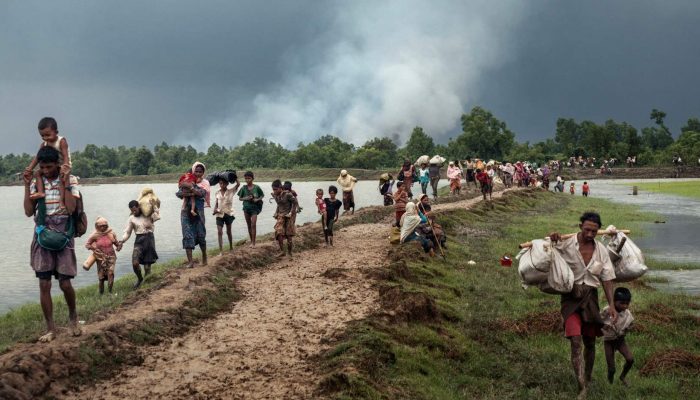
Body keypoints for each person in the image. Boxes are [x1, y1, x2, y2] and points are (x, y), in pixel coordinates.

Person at [549, 212, 617, 397]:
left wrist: (611, 305)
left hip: (591, 299)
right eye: (587, 230)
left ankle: (587, 376)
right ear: (580, 227)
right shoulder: (566, 243)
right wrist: (553, 238)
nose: (589, 234)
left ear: (597, 231)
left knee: (590, 342)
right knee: (576, 341)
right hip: (570, 299)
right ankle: (581, 387)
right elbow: (547, 249)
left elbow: (607, 278)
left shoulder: (601, 250)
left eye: (594, 231)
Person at [23, 146, 82, 342]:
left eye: (49, 167)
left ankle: (73, 317)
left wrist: (64, 183)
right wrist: (26, 186)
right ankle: (51, 328)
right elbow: (28, 212)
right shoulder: (35, 183)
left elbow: (72, 208)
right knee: (44, 283)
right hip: (43, 232)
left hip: (64, 231)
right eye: (43, 167)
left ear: (57, 164)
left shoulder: (71, 180)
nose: (46, 171)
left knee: (65, 283)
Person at [24, 117, 72, 211]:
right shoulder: (44, 144)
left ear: (56, 132)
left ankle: (61, 201)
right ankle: (41, 192)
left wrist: (65, 168)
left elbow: (65, 156)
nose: (45, 138)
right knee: (37, 173)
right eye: (42, 136)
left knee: (62, 180)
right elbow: (37, 158)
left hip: (63, 166)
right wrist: (29, 169)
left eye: (48, 135)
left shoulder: (61, 141)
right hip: (54, 165)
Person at [176, 162, 209, 268]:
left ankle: (204, 256)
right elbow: (179, 194)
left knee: (201, 235)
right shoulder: (188, 180)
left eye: (200, 171)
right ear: (193, 171)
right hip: (185, 212)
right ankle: (190, 262)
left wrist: (191, 187)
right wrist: (191, 190)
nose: (198, 173)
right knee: (187, 234)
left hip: (198, 212)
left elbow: (202, 193)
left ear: (203, 172)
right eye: (196, 171)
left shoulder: (205, 183)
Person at [120, 199, 159, 287]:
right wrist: (122, 241)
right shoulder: (131, 218)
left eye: (135, 210)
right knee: (135, 263)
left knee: (147, 267)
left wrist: (154, 206)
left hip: (149, 239)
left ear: (139, 207)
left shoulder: (147, 214)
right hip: (139, 240)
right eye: (132, 210)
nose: (134, 212)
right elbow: (128, 232)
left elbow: (157, 217)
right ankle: (140, 279)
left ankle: (146, 283)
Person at [601, 287, 635, 386]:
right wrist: (604, 326)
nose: (625, 306)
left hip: (620, 340)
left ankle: (623, 376)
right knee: (611, 368)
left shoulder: (627, 313)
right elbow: (599, 321)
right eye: (622, 303)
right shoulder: (607, 310)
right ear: (614, 301)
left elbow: (631, 323)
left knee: (630, 359)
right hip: (608, 341)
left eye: (627, 303)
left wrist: (628, 328)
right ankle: (609, 384)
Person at [84, 216, 121, 295]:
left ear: (107, 225)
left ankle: (110, 292)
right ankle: (101, 294)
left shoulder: (111, 233)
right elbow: (87, 245)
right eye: (101, 226)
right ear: (97, 226)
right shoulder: (94, 235)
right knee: (101, 278)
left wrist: (119, 246)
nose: (103, 227)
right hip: (100, 258)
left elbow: (117, 244)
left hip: (111, 257)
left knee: (110, 273)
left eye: (105, 225)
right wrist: (93, 249)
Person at [271, 180, 298, 258]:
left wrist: (291, 213)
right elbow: (278, 205)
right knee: (278, 232)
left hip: (288, 217)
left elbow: (295, 202)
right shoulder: (276, 195)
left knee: (289, 235)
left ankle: (290, 253)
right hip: (281, 216)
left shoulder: (288, 194)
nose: (274, 191)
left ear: (280, 187)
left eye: (276, 189)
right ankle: (282, 251)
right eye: (273, 189)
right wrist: (276, 212)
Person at [213, 177, 239, 255]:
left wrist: (234, 177)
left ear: (227, 184)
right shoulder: (217, 192)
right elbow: (216, 203)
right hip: (219, 214)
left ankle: (231, 248)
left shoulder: (231, 191)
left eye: (224, 183)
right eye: (220, 183)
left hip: (228, 214)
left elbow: (238, 184)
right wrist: (214, 210)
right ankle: (221, 251)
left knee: (228, 232)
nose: (222, 185)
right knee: (219, 232)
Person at [238, 171, 264, 247]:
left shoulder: (257, 187)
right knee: (249, 225)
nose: (247, 180)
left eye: (249, 178)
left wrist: (257, 199)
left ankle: (254, 243)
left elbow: (262, 195)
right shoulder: (243, 188)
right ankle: (251, 241)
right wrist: (246, 198)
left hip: (254, 209)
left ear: (252, 179)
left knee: (253, 224)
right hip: (246, 208)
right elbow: (240, 198)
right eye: (246, 178)